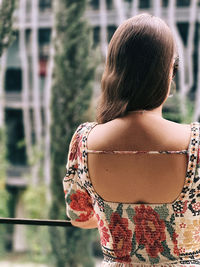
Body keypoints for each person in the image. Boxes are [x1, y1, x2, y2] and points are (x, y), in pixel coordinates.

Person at [63, 13, 200, 266]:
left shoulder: (84, 141)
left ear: (114, 70)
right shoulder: (196, 145)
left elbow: (79, 216)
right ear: (167, 72)